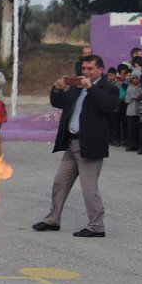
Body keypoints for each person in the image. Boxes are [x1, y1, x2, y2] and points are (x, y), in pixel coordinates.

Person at [32, 55, 119, 238]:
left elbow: (109, 106)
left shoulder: (108, 88)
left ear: (100, 70)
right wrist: (56, 90)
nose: (85, 72)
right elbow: (59, 103)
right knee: (59, 183)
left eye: (90, 69)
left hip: (90, 146)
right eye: (84, 68)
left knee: (89, 189)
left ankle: (96, 226)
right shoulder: (76, 87)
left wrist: (92, 88)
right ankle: (53, 219)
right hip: (71, 145)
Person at [125, 69, 142, 152]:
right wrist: (133, 97)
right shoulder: (129, 87)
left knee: (138, 129)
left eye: (137, 78)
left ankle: (138, 145)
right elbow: (126, 100)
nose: (135, 80)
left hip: (139, 111)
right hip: (130, 112)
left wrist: (140, 97)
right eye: (133, 78)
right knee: (131, 129)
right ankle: (131, 145)